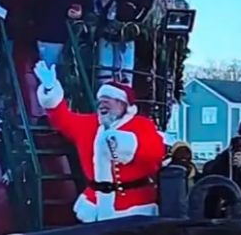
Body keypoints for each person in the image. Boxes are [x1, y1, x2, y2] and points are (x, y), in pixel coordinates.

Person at [34, 61, 165, 221]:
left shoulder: (141, 125)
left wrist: (123, 144)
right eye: (101, 100)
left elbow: (155, 151)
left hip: (133, 207)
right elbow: (62, 118)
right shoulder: (88, 125)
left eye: (109, 100)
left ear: (124, 104)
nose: (102, 104)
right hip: (94, 205)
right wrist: (50, 89)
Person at [93, 0, 146, 85]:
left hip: (126, 30)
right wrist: (102, 5)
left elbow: (143, 4)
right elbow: (93, 0)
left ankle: (123, 101)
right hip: (106, 28)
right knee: (105, 68)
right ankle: (104, 101)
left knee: (125, 69)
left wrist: (133, 17)